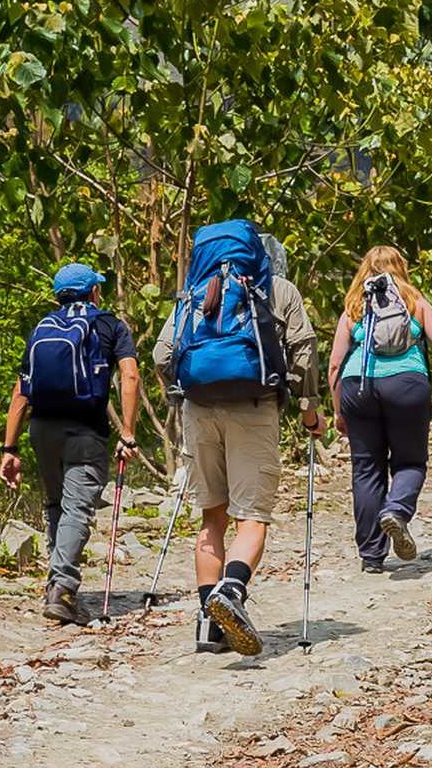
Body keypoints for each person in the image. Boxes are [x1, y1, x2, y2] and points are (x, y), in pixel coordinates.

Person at [154, 220, 324, 656]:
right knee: (252, 516)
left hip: (198, 410)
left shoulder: (196, 290)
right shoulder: (277, 289)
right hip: (254, 407)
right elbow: (303, 349)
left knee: (212, 518)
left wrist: (183, 394)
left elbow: (161, 355)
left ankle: (209, 627)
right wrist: (308, 408)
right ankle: (231, 591)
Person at [0, 263, 140, 626]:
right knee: (77, 508)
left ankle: (56, 582)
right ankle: (61, 588)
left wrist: (9, 449)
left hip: (41, 428)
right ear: (93, 291)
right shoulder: (110, 325)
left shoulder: (42, 328)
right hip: (85, 431)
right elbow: (130, 374)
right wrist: (127, 430)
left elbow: (21, 392)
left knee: (55, 505)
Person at [326, 246, 432, 574]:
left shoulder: (354, 307)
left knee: (366, 469)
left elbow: (334, 365)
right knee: (410, 461)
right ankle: (397, 511)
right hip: (406, 386)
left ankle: (372, 556)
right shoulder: (414, 302)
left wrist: (338, 410)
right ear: (400, 268)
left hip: (358, 385)